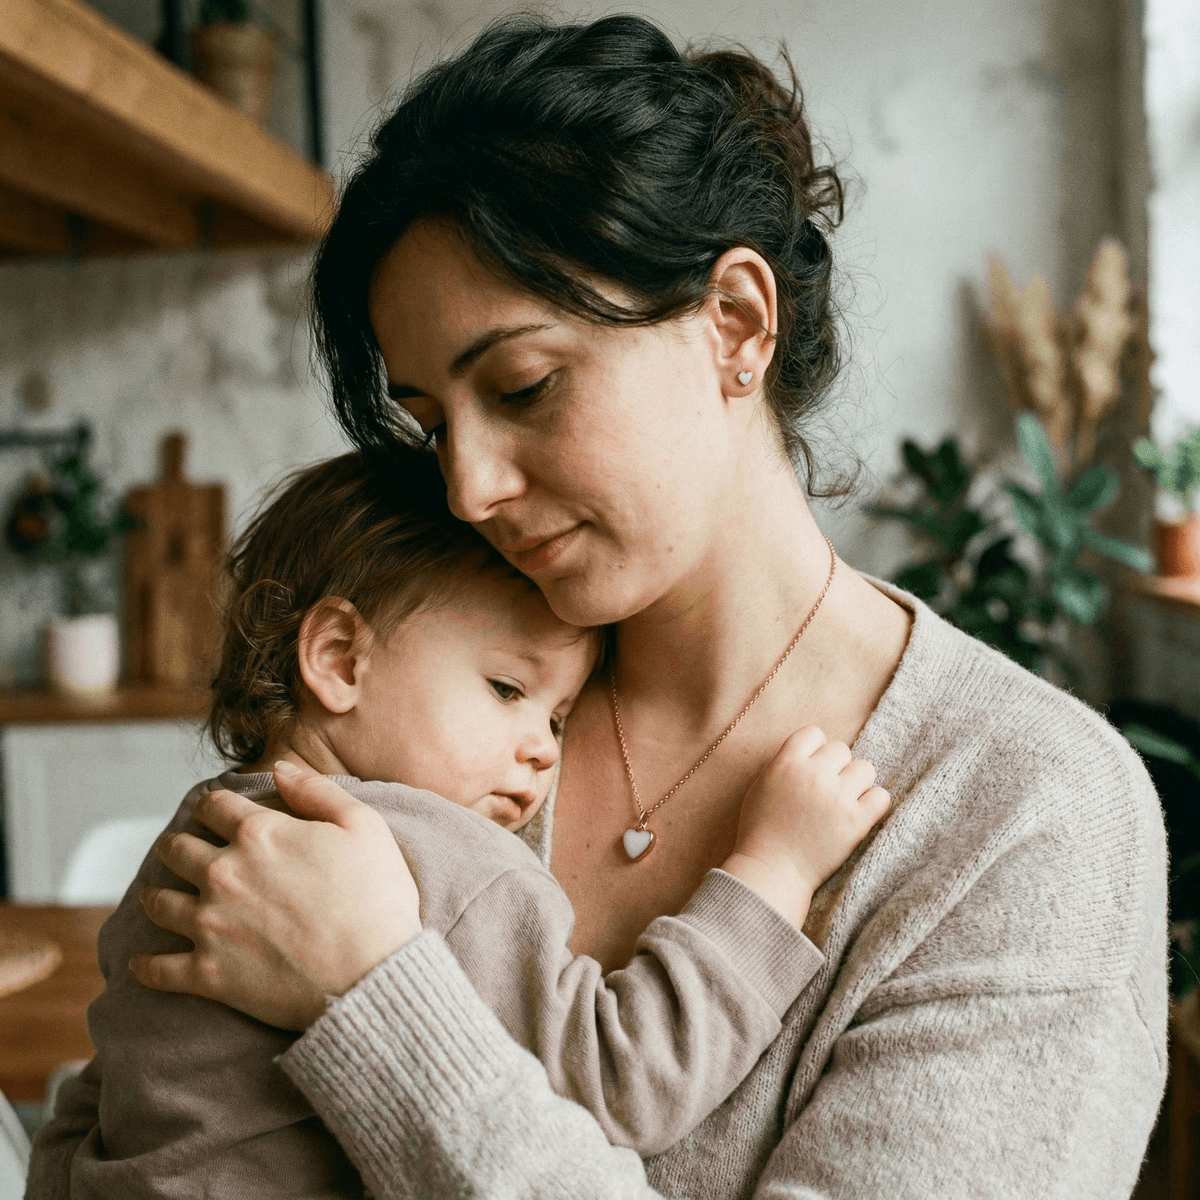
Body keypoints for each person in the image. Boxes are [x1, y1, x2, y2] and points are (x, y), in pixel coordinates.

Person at [41, 13, 1167, 1199]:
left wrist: (369, 996)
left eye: (523, 385)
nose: (468, 488)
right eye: (432, 424)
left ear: (734, 323)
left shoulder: (1025, 818)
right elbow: (139, 1103)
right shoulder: (440, 705)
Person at [27, 450, 886, 1198]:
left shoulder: (198, 833)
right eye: (508, 690)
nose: (543, 751)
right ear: (338, 658)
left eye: (557, 719)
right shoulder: (448, 859)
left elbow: (104, 1099)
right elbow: (625, 1084)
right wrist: (773, 868)